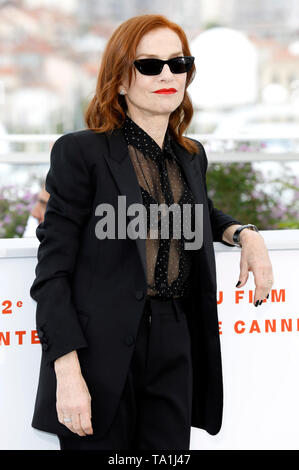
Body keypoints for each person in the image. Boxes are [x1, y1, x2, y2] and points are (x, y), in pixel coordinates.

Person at [29, 14, 274, 451]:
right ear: (121, 80)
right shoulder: (81, 152)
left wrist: (245, 234)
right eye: (149, 65)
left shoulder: (191, 155)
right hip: (98, 349)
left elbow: (196, 214)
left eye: (178, 64)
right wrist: (66, 374)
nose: (167, 75)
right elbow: (51, 274)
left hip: (176, 337)